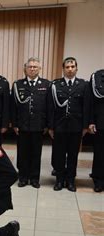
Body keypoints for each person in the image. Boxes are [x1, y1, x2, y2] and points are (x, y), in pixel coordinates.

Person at [47, 57, 91, 192]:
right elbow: (50, 107)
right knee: (59, 154)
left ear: (76, 68)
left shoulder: (84, 85)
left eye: (72, 67)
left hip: (76, 127)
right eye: (67, 67)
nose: (70, 69)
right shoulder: (55, 85)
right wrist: (50, 127)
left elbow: (86, 107)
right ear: (63, 69)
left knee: (73, 155)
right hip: (59, 126)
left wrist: (85, 126)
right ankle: (59, 180)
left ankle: (71, 180)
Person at [11, 58, 50, 188]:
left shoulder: (46, 84)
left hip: (38, 125)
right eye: (30, 67)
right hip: (22, 125)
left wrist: (47, 125)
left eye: (35, 67)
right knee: (22, 153)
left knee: (36, 153)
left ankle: (34, 178)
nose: (32, 69)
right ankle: (22, 177)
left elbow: (48, 107)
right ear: (25, 69)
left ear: (39, 69)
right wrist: (15, 124)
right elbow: (14, 106)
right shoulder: (18, 85)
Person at [89, 69, 104, 192]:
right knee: (99, 153)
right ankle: (98, 180)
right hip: (101, 122)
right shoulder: (97, 76)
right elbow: (92, 101)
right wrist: (91, 121)